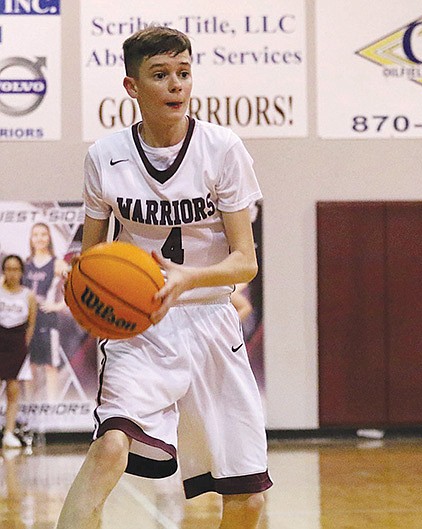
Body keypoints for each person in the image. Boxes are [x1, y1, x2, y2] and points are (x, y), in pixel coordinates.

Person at [57, 26, 272, 529]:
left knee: (248, 498)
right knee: (110, 446)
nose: (176, 85)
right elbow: (91, 259)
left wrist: (188, 279)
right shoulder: (104, 157)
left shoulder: (222, 149)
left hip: (211, 321)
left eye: (183, 73)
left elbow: (245, 262)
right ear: (132, 87)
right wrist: (89, 298)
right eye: (160, 75)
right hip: (141, 326)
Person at [23, 222, 67, 401]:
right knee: (29, 366)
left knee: (50, 366)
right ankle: (29, 407)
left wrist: (58, 306)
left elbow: (75, 288)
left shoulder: (58, 264)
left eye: (43, 234)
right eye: (36, 235)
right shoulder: (25, 264)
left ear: (49, 238)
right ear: (31, 239)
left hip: (48, 321)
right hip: (27, 322)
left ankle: (53, 408)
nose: (39, 238)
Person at [0, 255, 37, 448]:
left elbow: (31, 323)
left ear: (21, 272)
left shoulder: (28, 295)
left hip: (16, 344)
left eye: (15, 269)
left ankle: (8, 432)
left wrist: (23, 346)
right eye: (8, 268)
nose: (11, 273)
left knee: (13, 390)